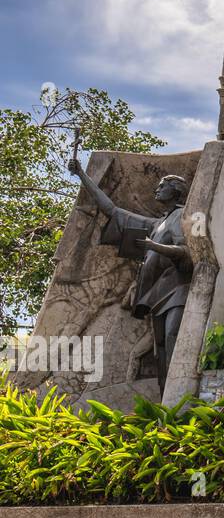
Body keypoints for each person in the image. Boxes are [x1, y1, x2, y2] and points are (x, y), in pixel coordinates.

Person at [68, 157, 193, 394]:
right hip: (158, 294)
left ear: (175, 190)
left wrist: (154, 247)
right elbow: (112, 210)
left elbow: (185, 252)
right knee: (160, 348)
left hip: (178, 289)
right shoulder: (157, 225)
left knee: (172, 337)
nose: (157, 189)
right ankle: (167, 402)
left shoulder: (182, 216)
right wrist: (82, 175)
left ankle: (182, 397)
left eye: (163, 185)